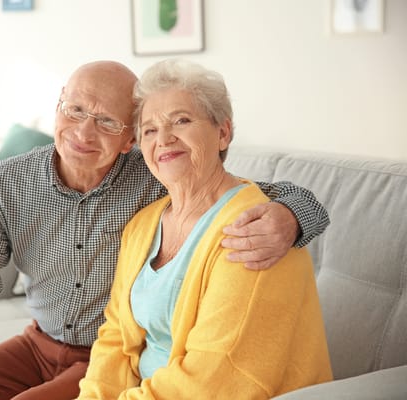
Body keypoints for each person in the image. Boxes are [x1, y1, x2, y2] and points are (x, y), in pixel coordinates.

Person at [0, 60, 330, 400]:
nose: (82, 131)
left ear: (128, 139)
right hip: (39, 341)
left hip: (102, 356)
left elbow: (251, 195)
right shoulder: (8, 183)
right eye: (74, 110)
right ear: (57, 107)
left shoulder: (157, 172)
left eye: (106, 122)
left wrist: (290, 216)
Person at [76, 59, 332, 400]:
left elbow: (214, 378)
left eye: (181, 120)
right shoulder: (143, 224)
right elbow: (115, 337)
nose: (164, 138)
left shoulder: (255, 231)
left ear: (223, 133)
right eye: (149, 130)